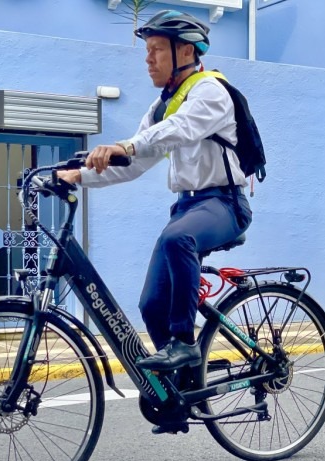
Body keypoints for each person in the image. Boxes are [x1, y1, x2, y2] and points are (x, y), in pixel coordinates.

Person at [58, 10, 252, 373]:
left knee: (178, 240)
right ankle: (181, 389)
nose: (148, 60)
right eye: (147, 51)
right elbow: (134, 162)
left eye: (157, 50)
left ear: (186, 52)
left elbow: (180, 129)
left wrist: (126, 145)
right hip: (186, 210)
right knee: (151, 306)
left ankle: (185, 343)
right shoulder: (163, 104)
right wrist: (77, 177)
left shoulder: (211, 91)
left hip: (225, 204)